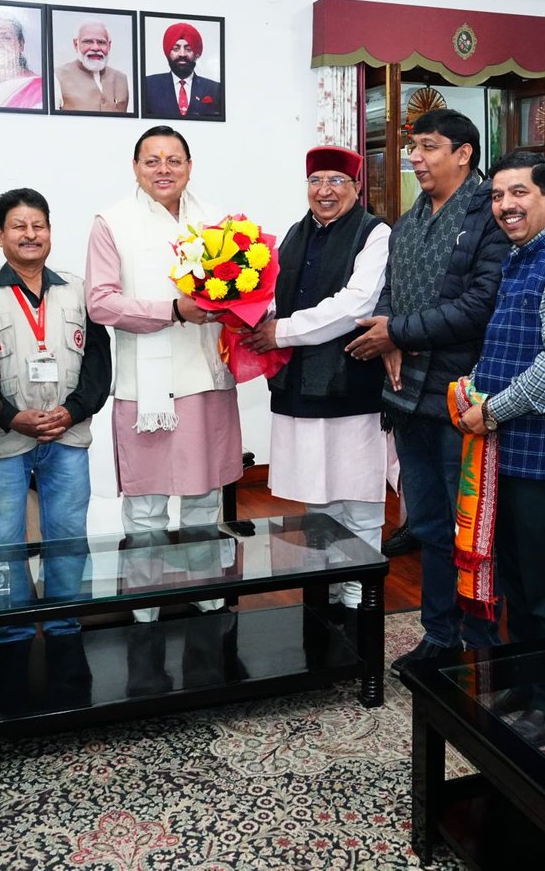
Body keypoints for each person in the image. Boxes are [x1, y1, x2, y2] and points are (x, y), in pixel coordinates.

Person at [346, 108, 506, 672]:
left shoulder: (489, 215)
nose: (414, 157)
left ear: (464, 154)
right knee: (431, 526)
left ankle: (481, 642)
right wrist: (388, 333)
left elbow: (479, 305)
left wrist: (398, 333)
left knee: (474, 529)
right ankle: (439, 633)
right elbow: (390, 289)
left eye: (428, 146)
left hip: (464, 400)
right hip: (407, 398)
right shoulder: (410, 218)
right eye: (413, 146)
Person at [456, 151, 545, 746]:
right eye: (497, 196)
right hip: (505, 452)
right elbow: (509, 348)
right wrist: (473, 388)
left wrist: (492, 410)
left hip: (544, 458)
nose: (506, 206)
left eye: (519, 193)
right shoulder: (519, 256)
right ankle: (525, 679)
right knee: (512, 575)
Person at [86, 126, 241, 621]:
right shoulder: (112, 222)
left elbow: (241, 290)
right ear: (135, 168)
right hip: (145, 389)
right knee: (146, 507)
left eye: (174, 160)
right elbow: (100, 302)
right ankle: (145, 606)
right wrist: (172, 311)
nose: (163, 169)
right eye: (151, 161)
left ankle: (207, 595)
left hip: (207, 378)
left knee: (204, 500)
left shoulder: (219, 222)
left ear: (190, 167)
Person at [243, 145, 390, 624]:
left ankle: (359, 598)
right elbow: (273, 297)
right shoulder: (293, 234)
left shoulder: (375, 233)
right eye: (316, 181)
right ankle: (326, 589)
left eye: (336, 181)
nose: (325, 191)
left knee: (360, 497)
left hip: (353, 383)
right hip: (300, 384)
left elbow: (355, 304)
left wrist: (281, 332)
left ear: (356, 187)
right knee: (319, 496)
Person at [0, 188, 111, 642]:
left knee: (69, 534)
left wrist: (72, 412)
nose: (30, 234)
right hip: (4, 439)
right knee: (2, 539)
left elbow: (98, 364)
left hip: (67, 436)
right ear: (0, 234)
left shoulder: (78, 290)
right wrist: (10, 417)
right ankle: (10, 632)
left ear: (50, 232)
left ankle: (64, 625)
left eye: (38, 225)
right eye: (18, 226)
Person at [141, 22, 223, 118]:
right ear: (168, 53)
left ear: (196, 54)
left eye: (188, 49)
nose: (182, 54)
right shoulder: (148, 85)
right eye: (176, 49)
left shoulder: (215, 89)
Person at [54, 20, 130, 113]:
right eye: (88, 42)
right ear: (76, 44)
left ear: (109, 45)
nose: (95, 48)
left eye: (101, 42)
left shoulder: (122, 78)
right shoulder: (57, 76)